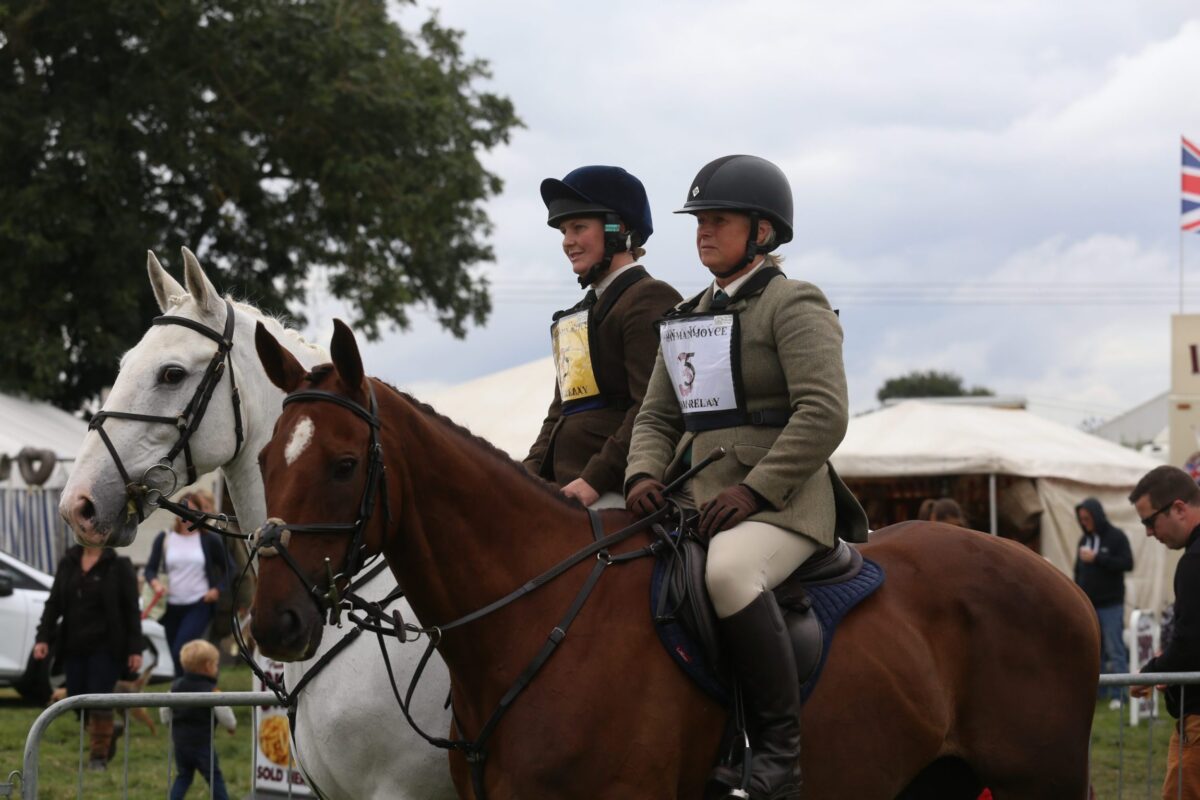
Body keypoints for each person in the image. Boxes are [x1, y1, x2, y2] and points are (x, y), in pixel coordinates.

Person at [624, 154, 868, 799]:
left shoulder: (794, 303)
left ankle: (777, 753)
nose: (703, 231)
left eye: (719, 220)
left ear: (762, 231)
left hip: (783, 503)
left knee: (729, 573)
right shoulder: (684, 315)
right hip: (693, 496)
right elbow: (654, 416)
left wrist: (755, 489)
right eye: (698, 220)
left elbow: (823, 413)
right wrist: (644, 474)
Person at [522, 165, 682, 508]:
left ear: (618, 229)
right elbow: (560, 413)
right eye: (564, 230)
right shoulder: (579, 315)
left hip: (614, 486)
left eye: (579, 227)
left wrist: (594, 480)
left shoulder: (649, 297)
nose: (568, 242)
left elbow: (649, 408)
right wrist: (525, 475)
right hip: (564, 484)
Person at [33, 545, 143, 770]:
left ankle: (97, 758)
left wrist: (135, 648)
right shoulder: (68, 562)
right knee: (76, 700)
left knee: (99, 701)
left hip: (107, 647)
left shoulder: (119, 566)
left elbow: (131, 608)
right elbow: (53, 603)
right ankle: (108, 730)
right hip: (73, 645)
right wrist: (43, 637)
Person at [1128, 466, 1200, 800]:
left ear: (1179, 509)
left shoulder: (1194, 562)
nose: (1147, 533)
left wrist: (1151, 672)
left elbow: (1191, 643)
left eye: (1149, 521)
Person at [145, 489, 231, 675]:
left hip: (198, 604)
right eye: (183, 510)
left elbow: (230, 568)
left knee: (180, 652)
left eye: (192, 510)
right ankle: (185, 695)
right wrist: (155, 584)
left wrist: (217, 589)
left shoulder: (208, 539)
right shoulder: (165, 538)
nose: (187, 514)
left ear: (199, 513)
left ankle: (194, 691)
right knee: (178, 657)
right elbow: (150, 569)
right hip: (171, 606)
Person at [1073, 497, 1134, 709]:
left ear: (1096, 515)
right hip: (1088, 605)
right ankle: (1097, 694)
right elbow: (1077, 571)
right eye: (1081, 519)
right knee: (1092, 651)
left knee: (1115, 648)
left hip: (1111, 604)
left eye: (1087, 518)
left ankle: (1120, 695)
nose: (1084, 522)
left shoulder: (1116, 537)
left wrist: (1098, 558)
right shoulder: (1083, 540)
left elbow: (1127, 563)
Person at [160, 639, 236, 800]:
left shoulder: (175, 687)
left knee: (183, 776)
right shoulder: (212, 691)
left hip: (180, 744)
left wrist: (169, 723)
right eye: (216, 665)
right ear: (208, 666)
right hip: (202, 745)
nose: (217, 668)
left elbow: (164, 709)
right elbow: (225, 712)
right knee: (214, 777)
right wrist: (231, 725)